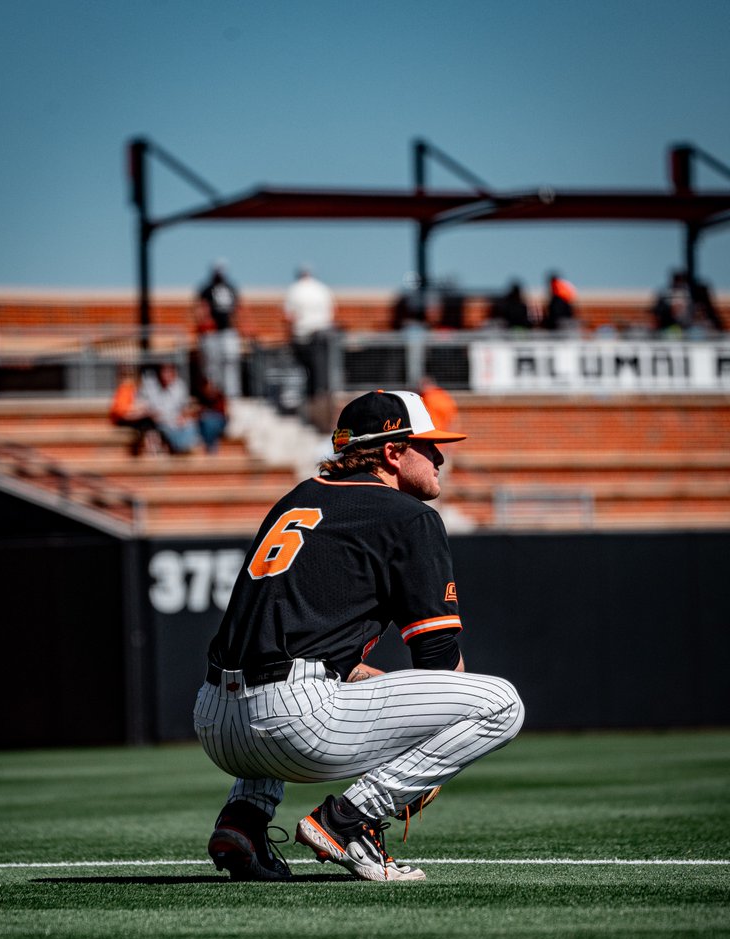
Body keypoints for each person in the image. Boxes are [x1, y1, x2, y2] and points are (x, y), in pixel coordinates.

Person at [194, 389, 524, 883]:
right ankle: (349, 821)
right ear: (392, 451)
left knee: (317, 679)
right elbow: (437, 660)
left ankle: (244, 818)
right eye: (428, 445)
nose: (440, 456)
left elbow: (296, 639)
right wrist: (422, 760)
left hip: (215, 721)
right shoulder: (409, 517)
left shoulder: (298, 498)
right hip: (293, 723)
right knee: (502, 703)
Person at [283, 265, 335, 401]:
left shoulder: (294, 290)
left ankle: (311, 397)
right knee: (322, 369)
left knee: (305, 370)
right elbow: (331, 313)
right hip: (323, 334)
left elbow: (289, 316)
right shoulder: (323, 289)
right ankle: (320, 395)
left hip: (304, 336)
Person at [196, 262, 242, 399]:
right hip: (212, 333)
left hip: (228, 332)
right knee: (212, 365)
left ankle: (231, 393)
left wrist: (237, 327)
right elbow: (201, 308)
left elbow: (237, 310)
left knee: (230, 362)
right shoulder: (206, 289)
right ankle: (214, 395)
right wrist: (205, 324)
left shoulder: (231, 288)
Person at [138, 362, 199, 454]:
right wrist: (151, 413)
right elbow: (141, 404)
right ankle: (179, 448)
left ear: (174, 374)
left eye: (169, 372)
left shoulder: (180, 386)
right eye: (164, 372)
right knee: (166, 431)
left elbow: (186, 407)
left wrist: (184, 417)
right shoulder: (149, 385)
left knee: (190, 425)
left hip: (175, 420)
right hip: (157, 422)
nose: (166, 375)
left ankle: (185, 449)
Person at [109, 366, 161, 456]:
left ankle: (154, 448)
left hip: (134, 418)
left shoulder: (134, 389)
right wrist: (140, 413)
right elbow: (123, 413)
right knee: (147, 423)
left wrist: (142, 412)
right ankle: (152, 449)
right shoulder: (124, 389)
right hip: (122, 419)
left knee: (150, 424)